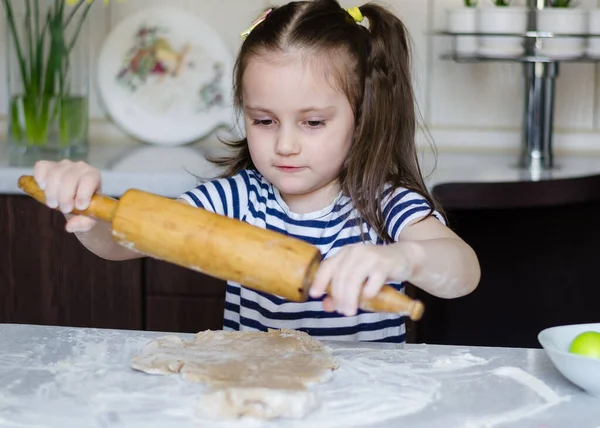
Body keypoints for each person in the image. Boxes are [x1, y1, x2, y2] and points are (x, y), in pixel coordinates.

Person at [32, 0, 480, 343]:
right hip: (257, 399)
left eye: (313, 122)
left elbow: (461, 272)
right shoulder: (239, 200)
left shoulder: (383, 204)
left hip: (364, 407)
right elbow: (125, 241)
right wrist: (87, 214)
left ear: (362, 118)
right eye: (263, 121)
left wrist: (405, 257)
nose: (284, 144)